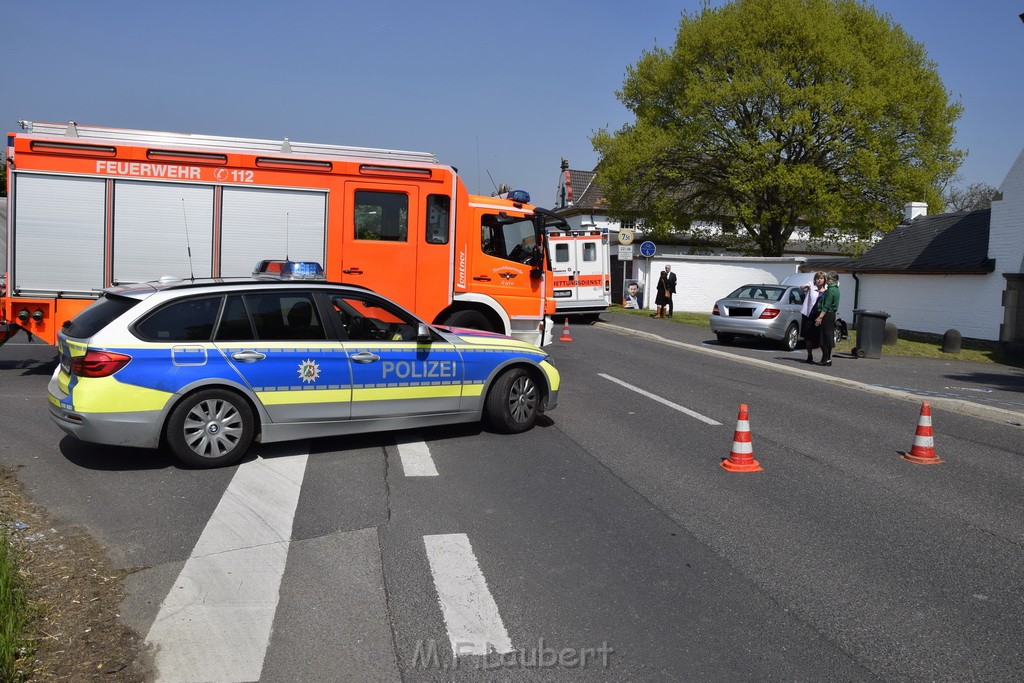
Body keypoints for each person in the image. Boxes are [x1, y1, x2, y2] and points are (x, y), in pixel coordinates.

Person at [814, 271, 840, 366]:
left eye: (828, 279)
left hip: (827, 315)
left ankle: (825, 358)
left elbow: (827, 305)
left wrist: (820, 317)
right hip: (831, 315)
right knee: (828, 337)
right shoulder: (836, 289)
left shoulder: (830, 290)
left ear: (832, 280)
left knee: (823, 338)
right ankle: (828, 359)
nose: (827, 281)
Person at [800, 272, 826, 364]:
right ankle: (809, 355)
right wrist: (806, 286)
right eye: (818, 278)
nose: (819, 280)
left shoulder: (827, 289)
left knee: (820, 337)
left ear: (824, 280)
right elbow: (801, 287)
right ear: (815, 279)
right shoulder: (811, 286)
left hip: (820, 316)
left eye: (822, 278)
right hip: (809, 315)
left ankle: (824, 357)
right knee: (808, 337)